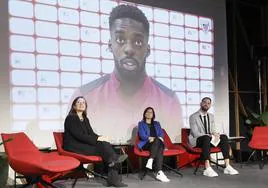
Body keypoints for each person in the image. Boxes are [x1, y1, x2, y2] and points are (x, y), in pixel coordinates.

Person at [69, 4, 182, 143]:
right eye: (120, 40)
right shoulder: (84, 95)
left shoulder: (170, 100)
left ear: (147, 49)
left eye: (138, 42)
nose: (129, 49)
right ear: (110, 45)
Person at [63, 96, 128, 187]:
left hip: (83, 144)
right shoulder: (71, 118)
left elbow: (91, 134)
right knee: (108, 152)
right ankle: (114, 175)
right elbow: (78, 135)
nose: (82, 104)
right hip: (74, 146)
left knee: (106, 146)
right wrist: (97, 139)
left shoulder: (85, 119)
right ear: (74, 106)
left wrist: (101, 137)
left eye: (83, 102)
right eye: (79, 102)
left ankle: (114, 163)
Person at [189, 97, 239, 177]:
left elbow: (212, 129)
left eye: (208, 103)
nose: (206, 104)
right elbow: (195, 133)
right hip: (197, 141)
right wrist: (208, 136)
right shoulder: (193, 116)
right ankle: (207, 168)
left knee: (223, 137)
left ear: (210, 105)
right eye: (204, 102)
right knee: (206, 138)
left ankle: (227, 166)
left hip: (209, 140)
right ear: (201, 103)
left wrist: (216, 134)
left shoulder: (211, 116)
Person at [137, 107, 170, 182]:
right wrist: (149, 138)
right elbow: (142, 135)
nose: (149, 113)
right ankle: (158, 171)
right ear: (145, 114)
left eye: (151, 112)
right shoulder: (141, 123)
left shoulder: (157, 123)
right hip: (146, 143)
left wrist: (155, 138)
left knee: (158, 144)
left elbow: (161, 134)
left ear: (153, 114)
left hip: (156, 143)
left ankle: (158, 171)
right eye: (147, 112)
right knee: (159, 145)